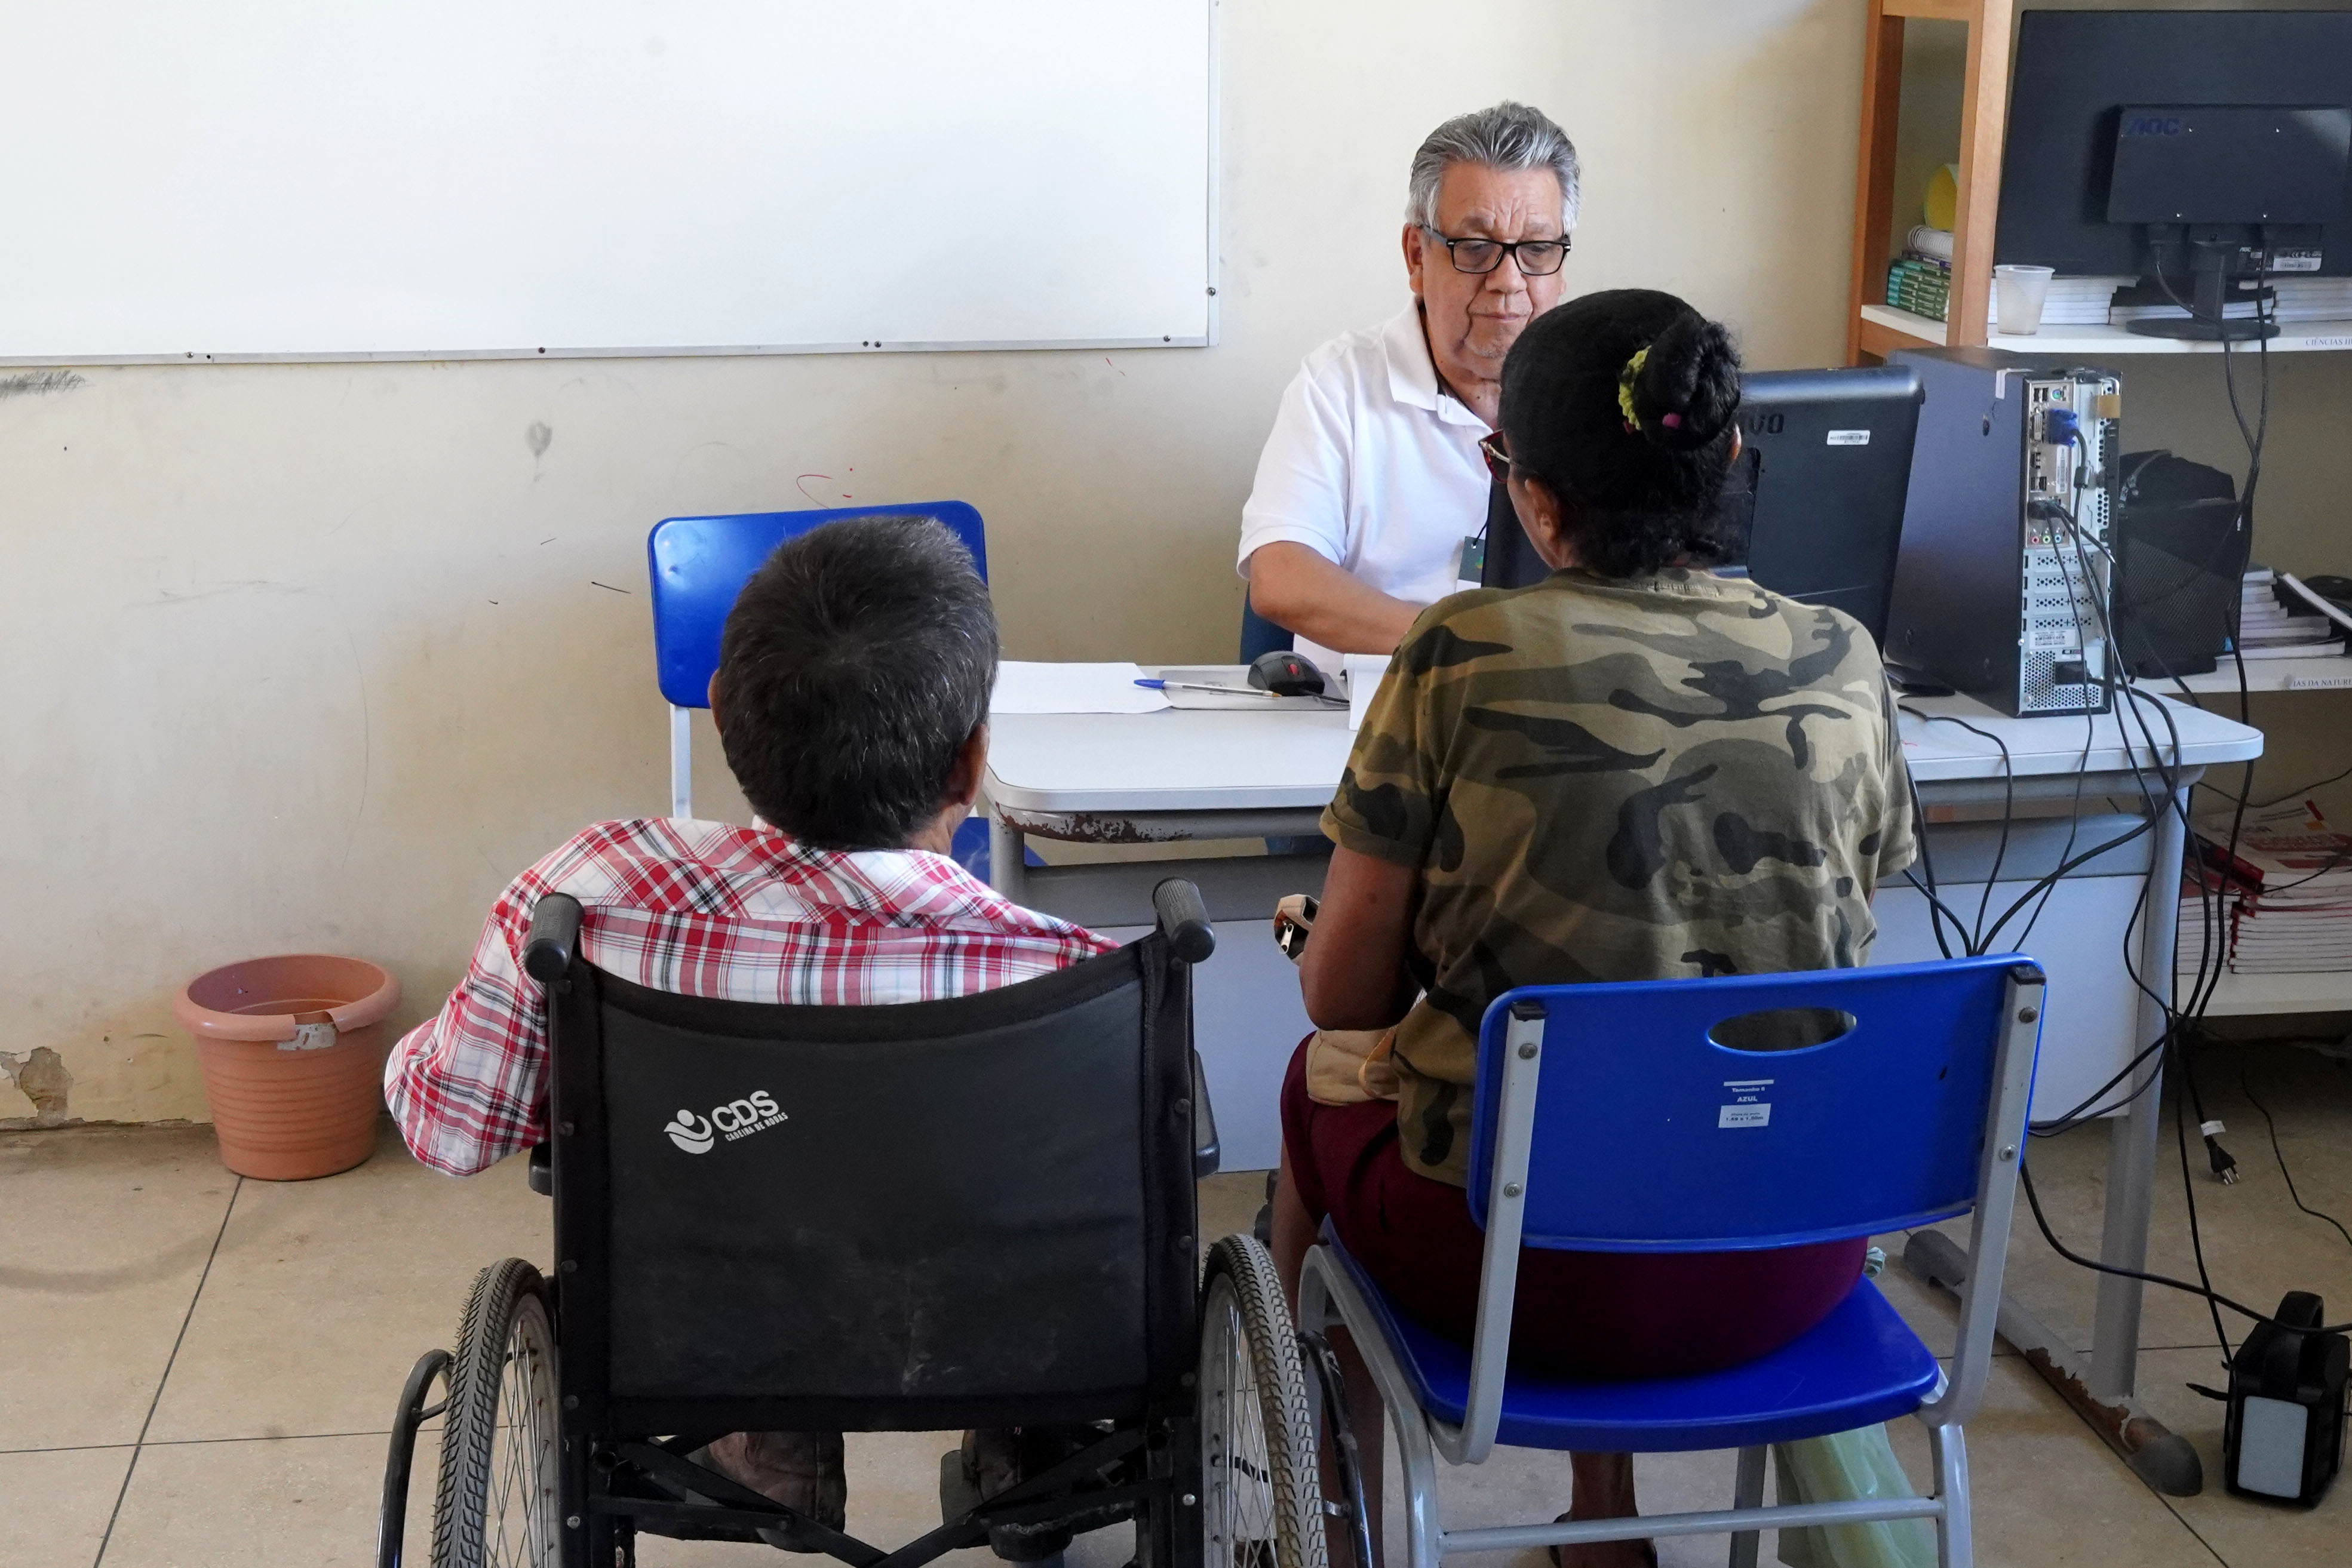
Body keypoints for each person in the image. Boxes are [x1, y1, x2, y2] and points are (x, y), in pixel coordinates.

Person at [1270, 290, 1918, 1568]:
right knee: (1646, 1049)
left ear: (1530, 494)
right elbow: (1817, 925)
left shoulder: (1461, 650)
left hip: (1519, 1277)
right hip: (1792, 1260)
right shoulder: (1842, 654)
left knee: (1318, 1083)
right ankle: (1601, 1523)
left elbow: (1341, 996)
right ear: (1730, 462)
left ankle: (1329, 1515)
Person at [385, 515, 1114, 1541]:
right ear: (972, 762)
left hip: (704, 1322)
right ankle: (1024, 1450)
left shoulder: (583, 897)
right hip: (984, 1326)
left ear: (723, 715)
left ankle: (769, 1435)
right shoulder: (1076, 979)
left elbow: (446, 1133)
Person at [1239, 102, 1579, 671]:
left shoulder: (1601, 390)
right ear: (1418, 256)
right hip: (1374, 721)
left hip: (1547, 712)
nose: (1508, 283)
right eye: (1476, 248)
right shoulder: (1338, 384)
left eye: (1537, 251)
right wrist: (1477, 644)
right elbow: (1281, 579)